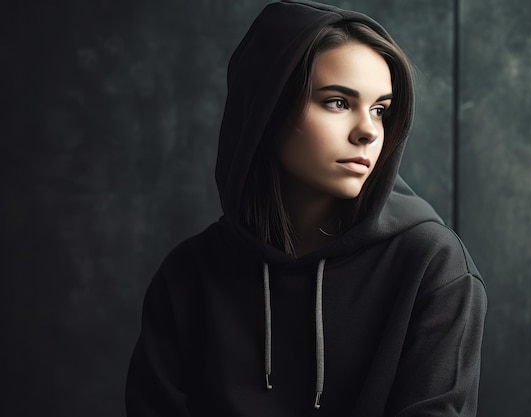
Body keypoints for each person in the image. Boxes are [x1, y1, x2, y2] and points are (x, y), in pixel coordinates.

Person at [125, 1, 487, 416]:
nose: (369, 131)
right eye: (337, 102)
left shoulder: (432, 265)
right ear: (267, 108)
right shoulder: (188, 275)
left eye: (380, 110)